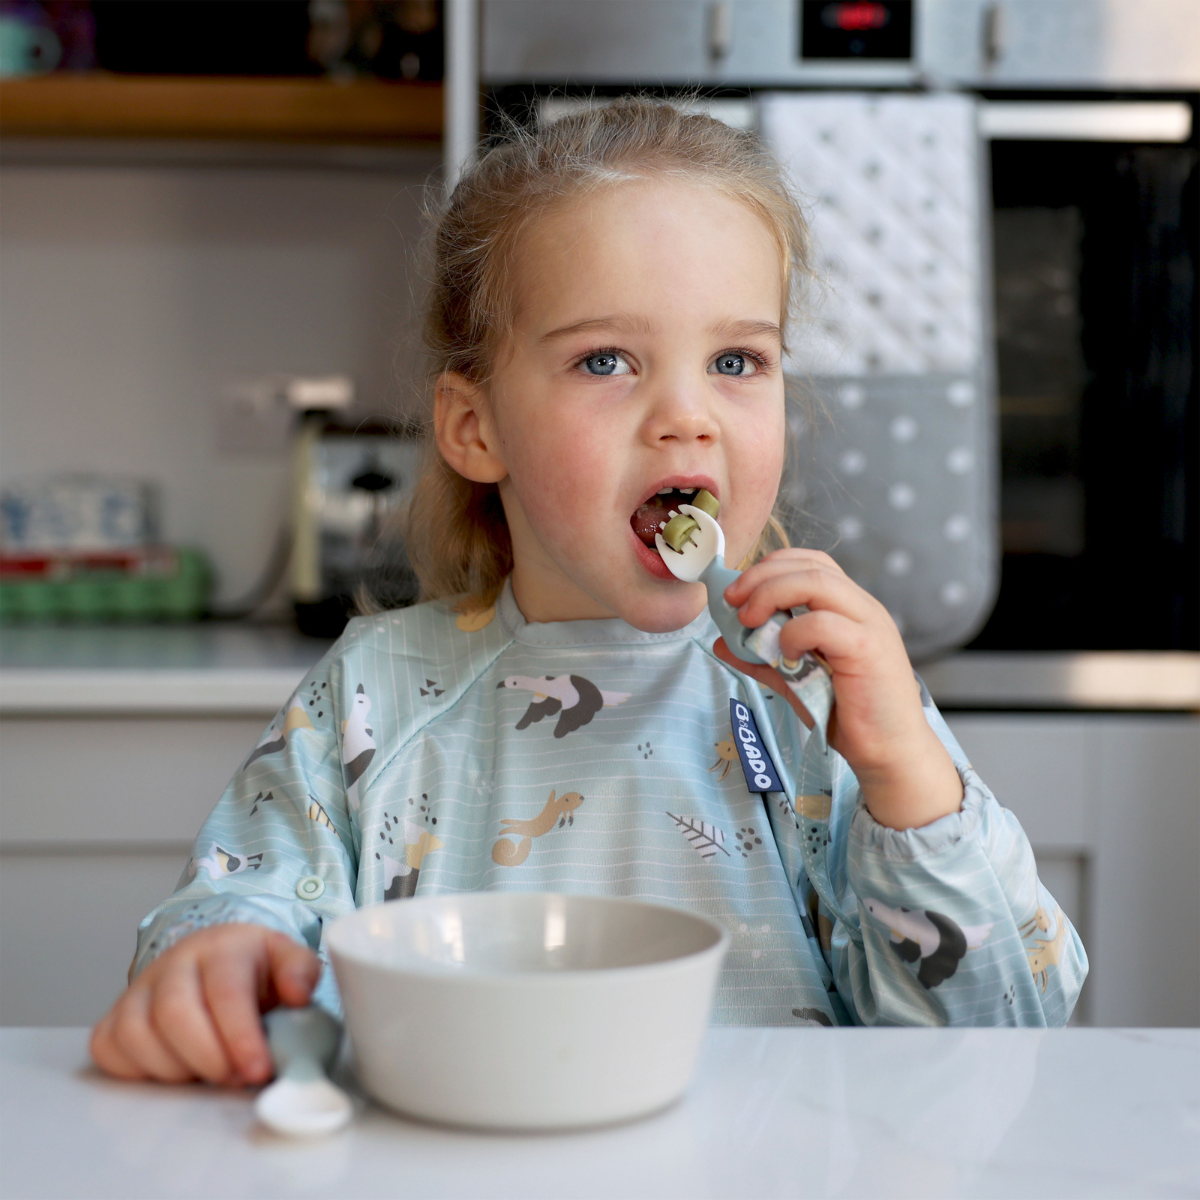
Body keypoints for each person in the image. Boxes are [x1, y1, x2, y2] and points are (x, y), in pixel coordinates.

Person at [91, 100, 1087, 1088]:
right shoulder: (374, 697)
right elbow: (235, 924)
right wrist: (216, 965)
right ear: (474, 427)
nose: (686, 416)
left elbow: (1006, 1030)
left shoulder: (825, 709)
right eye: (605, 361)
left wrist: (909, 779)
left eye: (737, 361)